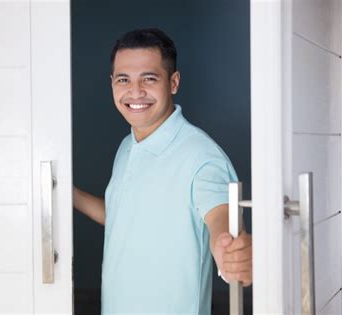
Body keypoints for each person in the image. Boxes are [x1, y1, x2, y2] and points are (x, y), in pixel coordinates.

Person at [73, 28, 252, 314]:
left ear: (173, 82)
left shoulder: (202, 157)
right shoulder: (127, 146)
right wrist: (65, 193)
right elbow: (124, 216)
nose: (135, 92)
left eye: (149, 78)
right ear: (112, 84)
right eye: (123, 80)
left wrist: (232, 252)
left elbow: (222, 222)